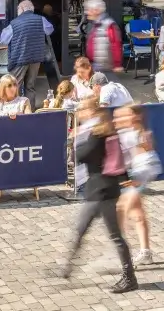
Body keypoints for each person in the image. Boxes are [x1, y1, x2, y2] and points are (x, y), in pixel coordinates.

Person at [59, 98, 139, 294]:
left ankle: (130, 278)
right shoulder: (105, 131)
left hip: (103, 192)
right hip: (100, 190)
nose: (80, 113)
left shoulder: (97, 133)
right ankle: (67, 267)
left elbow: (81, 157)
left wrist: (73, 141)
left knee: (115, 236)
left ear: (91, 111)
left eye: (82, 109)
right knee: (81, 228)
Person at [115, 105, 156, 267]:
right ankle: (145, 252)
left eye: (123, 116)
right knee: (137, 213)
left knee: (121, 211)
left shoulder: (141, 135)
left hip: (138, 177)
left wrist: (137, 180)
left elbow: (147, 162)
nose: (118, 120)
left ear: (135, 117)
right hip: (131, 176)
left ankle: (119, 253)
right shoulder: (125, 133)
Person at [0, 0, 54, 108]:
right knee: (30, 86)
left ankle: (15, 109)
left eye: (18, 9)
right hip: (36, 58)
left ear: (22, 9)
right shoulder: (40, 19)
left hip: (20, 58)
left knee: (15, 85)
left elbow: (4, 39)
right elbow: (50, 30)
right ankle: (30, 110)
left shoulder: (14, 23)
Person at [84, 0, 124, 74]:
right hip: (96, 64)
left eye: (89, 10)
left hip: (105, 66)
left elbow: (115, 44)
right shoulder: (94, 24)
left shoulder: (108, 24)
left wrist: (117, 64)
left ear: (96, 10)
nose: (87, 12)